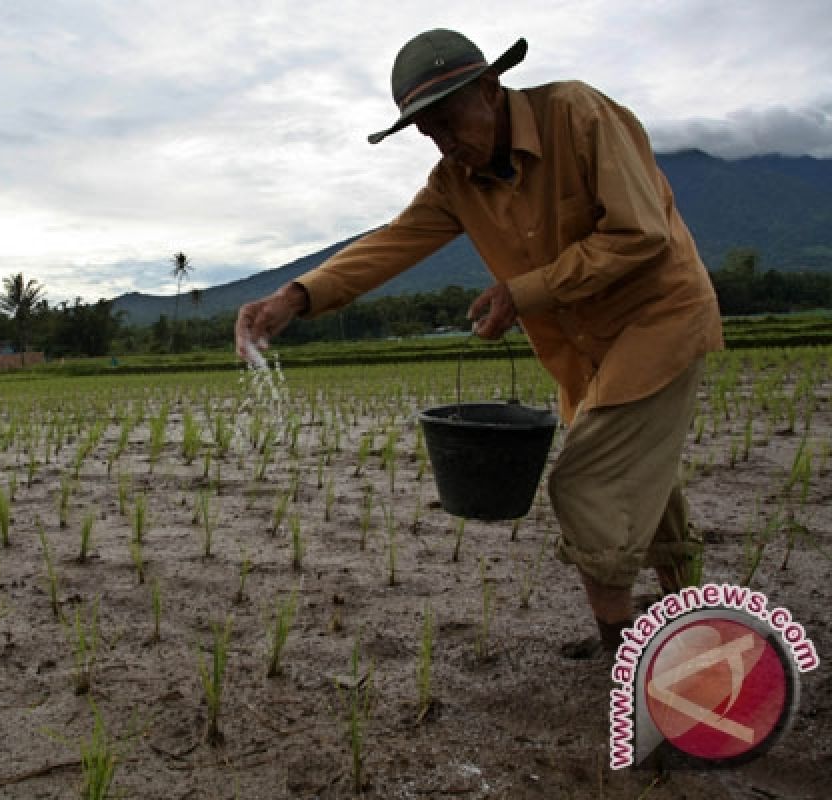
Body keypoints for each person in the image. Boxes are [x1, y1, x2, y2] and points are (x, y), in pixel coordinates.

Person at [234, 29, 723, 658]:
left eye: (447, 120)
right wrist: (291, 300)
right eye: (426, 132)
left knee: (590, 485)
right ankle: (690, 621)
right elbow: (389, 244)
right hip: (579, 354)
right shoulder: (454, 183)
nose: (442, 142)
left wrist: (523, 292)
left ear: (490, 89)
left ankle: (625, 653)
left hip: (659, 321)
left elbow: (641, 235)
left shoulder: (577, 115)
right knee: (642, 488)